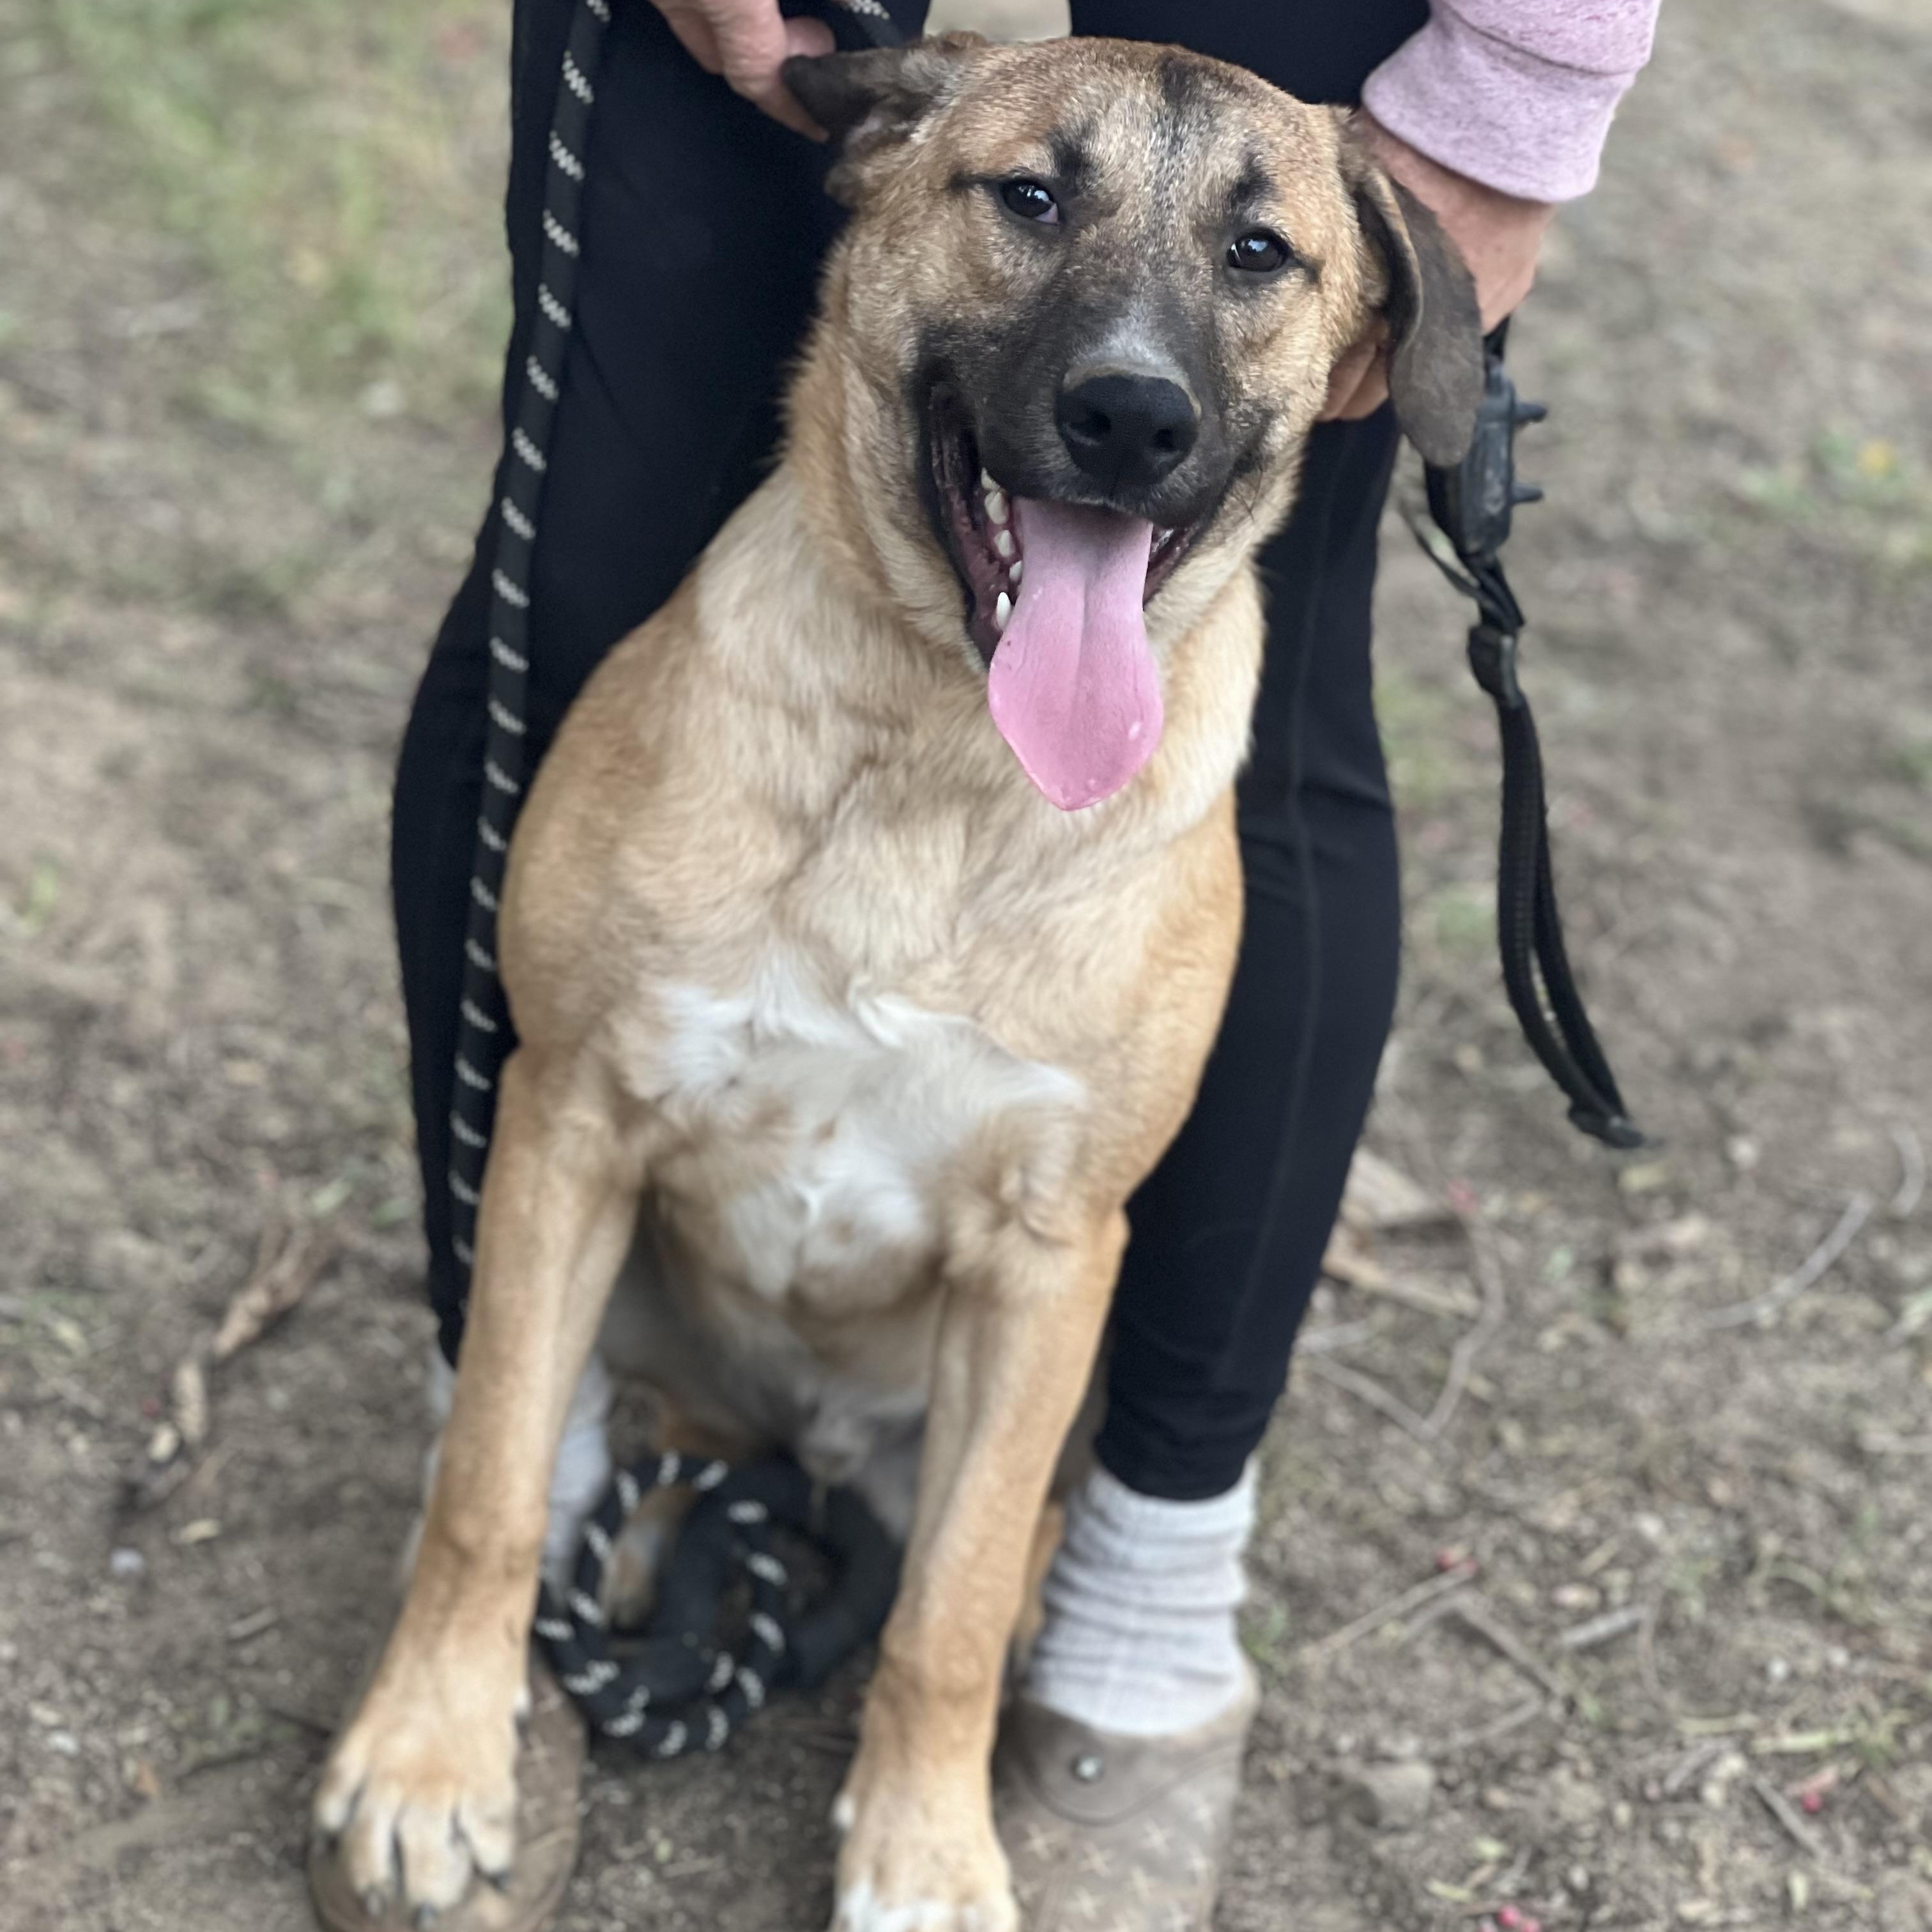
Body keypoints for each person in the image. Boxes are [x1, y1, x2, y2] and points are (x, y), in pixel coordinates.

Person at [377, 2, 1659, 1927]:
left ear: (1357, 320)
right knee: (593, 509)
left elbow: (1049, 1252)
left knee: (1268, 774)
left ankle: (1104, 1628)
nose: (1134, 367)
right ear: (892, 175)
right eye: (1034, 205)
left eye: (1255, 257)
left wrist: (1528, 81)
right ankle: (497, 1560)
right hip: (743, 722)